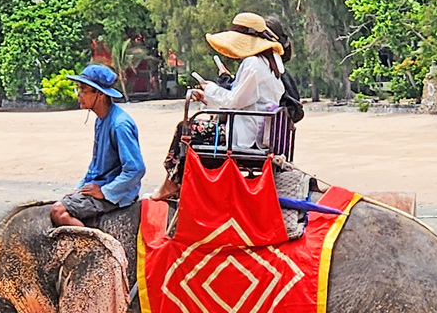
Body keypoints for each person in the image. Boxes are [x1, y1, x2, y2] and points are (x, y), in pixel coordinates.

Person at [151, 12, 286, 201]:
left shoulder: (253, 64)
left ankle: (172, 182)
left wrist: (210, 89)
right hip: (256, 128)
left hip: (245, 135)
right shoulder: (272, 63)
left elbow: (234, 102)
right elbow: (243, 100)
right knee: (194, 127)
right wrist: (207, 97)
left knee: (185, 128)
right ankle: (183, 182)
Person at [50, 64, 146, 227]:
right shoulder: (100, 120)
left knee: (58, 211)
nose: (79, 95)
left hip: (118, 194)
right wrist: (80, 188)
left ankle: (92, 241)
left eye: (83, 90)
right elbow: (96, 166)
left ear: (100, 94)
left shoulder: (119, 124)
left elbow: (136, 169)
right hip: (100, 185)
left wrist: (105, 192)